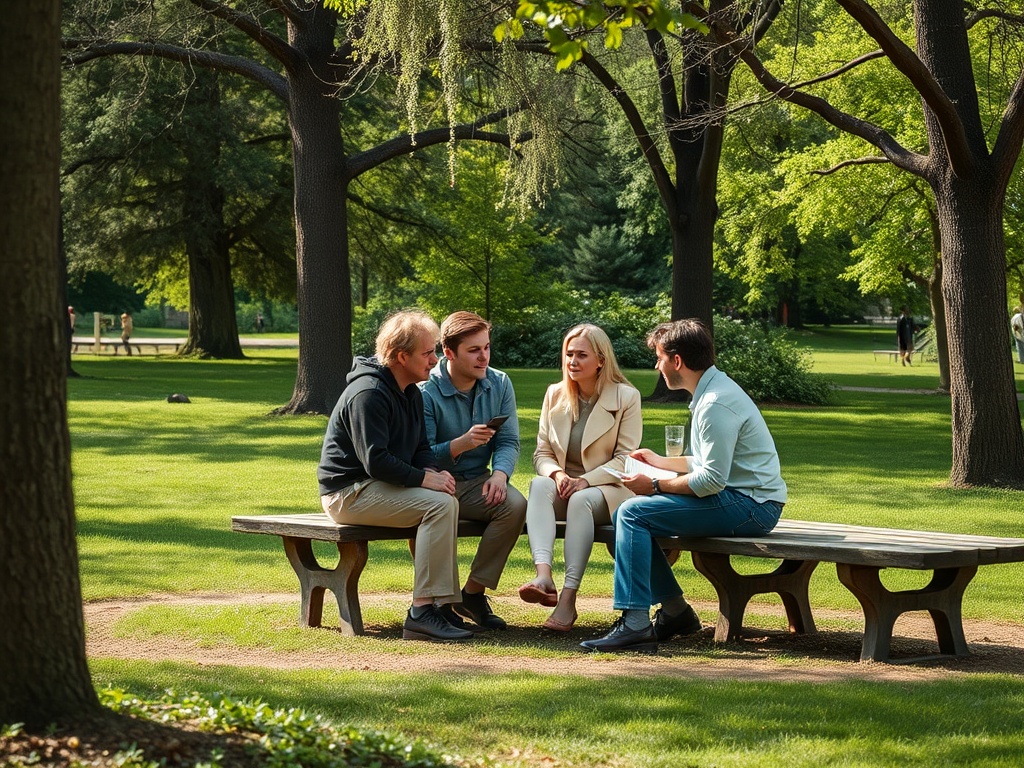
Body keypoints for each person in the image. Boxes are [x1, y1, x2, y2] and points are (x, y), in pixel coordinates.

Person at [581, 318, 787, 653]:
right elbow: (710, 463)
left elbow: (711, 480)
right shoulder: (712, 393)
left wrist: (655, 486)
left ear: (677, 361)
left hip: (752, 506)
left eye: (660, 357)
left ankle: (635, 624)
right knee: (626, 513)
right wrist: (661, 462)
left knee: (632, 513)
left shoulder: (715, 404)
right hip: (742, 497)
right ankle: (676, 612)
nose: (657, 365)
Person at [317, 309, 472, 642]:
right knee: (439, 505)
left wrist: (435, 473)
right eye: (427, 352)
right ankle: (422, 613)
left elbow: (420, 448)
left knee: (443, 499)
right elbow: (376, 460)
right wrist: (424, 480)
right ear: (402, 356)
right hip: (348, 493)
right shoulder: (369, 394)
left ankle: (441, 606)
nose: (434, 359)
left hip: (377, 486)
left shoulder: (411, 392)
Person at [519, 324, 642, 632]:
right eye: (569, 354)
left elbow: (626, 460)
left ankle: (568, 598)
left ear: (601, 360)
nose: (572, 361)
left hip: (608, 491)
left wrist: (586, 480)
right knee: (539, 484)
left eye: (581, 355)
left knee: (582, 500)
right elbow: (541, 453)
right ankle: (544, 578)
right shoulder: (555, 395)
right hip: (565, 488)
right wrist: (558, 474)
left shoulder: (626, 397)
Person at [419, 311, 527, 631]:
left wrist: (500, 474)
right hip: (436, 482)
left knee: (515, 504)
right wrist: (460, 445)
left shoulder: (500, 382)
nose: (484, 357)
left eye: (487, 347)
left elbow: (508, 441)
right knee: (442, 508)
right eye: (474, 350)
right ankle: (441, 602)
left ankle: (473, 593)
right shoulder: (425, 390)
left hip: (480, 480)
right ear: (449, 352)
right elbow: (420, 455)